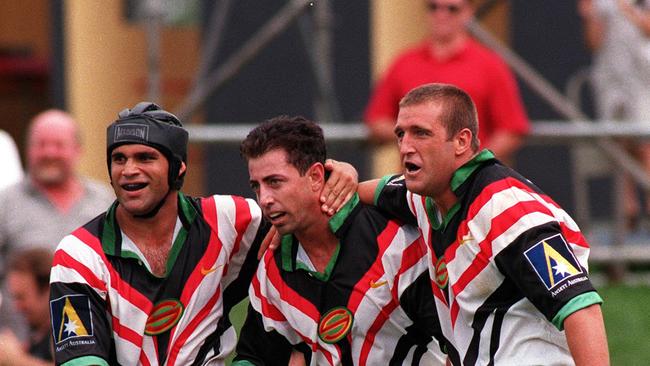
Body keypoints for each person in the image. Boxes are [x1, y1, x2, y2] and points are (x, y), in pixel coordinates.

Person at [346, 84, 609, 365]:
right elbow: (374, 191)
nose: (405, 146)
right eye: (400, 134)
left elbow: (581, 308)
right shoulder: (426, 197)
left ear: (461, 141)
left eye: (421, 133)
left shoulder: (508, 210)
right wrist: (345, 175)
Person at [48, 102, 271, 366]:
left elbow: (307, 220)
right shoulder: (78, 254)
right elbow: (80, 362)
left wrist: (331, 172)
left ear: (178, 168)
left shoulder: (229, 219)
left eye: (145, 157)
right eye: (119, 158)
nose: (128, 170)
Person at [234, 116, 447, 365]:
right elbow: (254, 356)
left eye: (274, 182)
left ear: (315, 177)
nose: (264, 199)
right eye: (256, 186)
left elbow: (457, 338)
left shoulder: (392, 241)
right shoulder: (274, 265)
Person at [365, 0, 529, 175]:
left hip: (471, 184)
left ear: (468, 12)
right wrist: (419, 136)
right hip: (415, 182)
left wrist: (474, 163)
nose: (441, 15)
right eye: (433, 7)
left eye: (452, 9)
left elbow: (512, 128)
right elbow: (377, 120)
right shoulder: (405, 62)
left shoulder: (490, 65)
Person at [0, 110, 114, 340]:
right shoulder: (5, 204)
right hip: (21, 346)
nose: (49, 152)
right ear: (28, 149)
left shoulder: (104, 201)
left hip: (95, 344)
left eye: (58, 145)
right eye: (41, 144)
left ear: (77, 150)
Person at [578, 0, 650, 227]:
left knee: (645, 144)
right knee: (619, 144)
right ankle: (628, 212)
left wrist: (625, 8)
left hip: (642, 78)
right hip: (610, 79)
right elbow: (593, 43)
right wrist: (590, 16)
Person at [0, 248, 54, 365]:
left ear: (47, 290)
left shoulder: (68, 334)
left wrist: (17, 360)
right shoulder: (36, 338)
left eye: (21, 297)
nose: (17, 306)